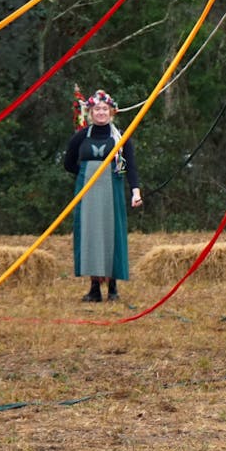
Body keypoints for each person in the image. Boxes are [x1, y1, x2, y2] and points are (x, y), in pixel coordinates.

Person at [62, 90, 142, 302]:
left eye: (104, 109)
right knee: (90, 235)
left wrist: (135, 191)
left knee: (111, 234)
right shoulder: (81, 137)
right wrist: (84, 176)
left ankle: (113, 287)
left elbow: (129, 166)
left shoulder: (120, 138)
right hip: (87, 194)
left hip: (111, 191)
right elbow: (68, 163)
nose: (101, 113)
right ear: (90, 112)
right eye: (97, 109)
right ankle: (94, 288)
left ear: (111, 112)